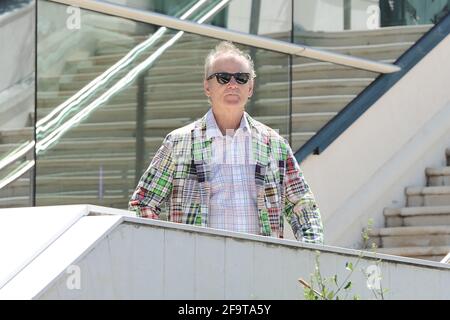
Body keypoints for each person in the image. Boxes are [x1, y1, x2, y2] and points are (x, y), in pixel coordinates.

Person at [129, 41, 323, 243]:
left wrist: (311, 253)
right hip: (197, 266)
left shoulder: (274, 145)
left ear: (250, 87)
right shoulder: (179, 143)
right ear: (207, 87)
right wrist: (169, 250)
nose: (232, 84)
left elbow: (302, 204)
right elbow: (143, 202)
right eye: (222, 78)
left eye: (241, 78)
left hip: (259, 266)